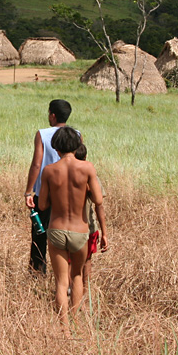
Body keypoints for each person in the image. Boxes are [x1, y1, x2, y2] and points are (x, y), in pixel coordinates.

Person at [37, 126, 107, 327]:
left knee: (60, 281)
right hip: (80, 231)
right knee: (77, 275)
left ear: (56, 147)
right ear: (76, 146)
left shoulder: (49, 171)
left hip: (56, 230)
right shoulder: (87, 168)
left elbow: (42, 205)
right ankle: (76, 321)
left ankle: (64, 329)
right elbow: (98, 199)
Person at [24, 99, 76, 274]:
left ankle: (38, 271)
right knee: (66, 233)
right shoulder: (76, 134)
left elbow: (36, 164)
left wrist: (28, 191)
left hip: (44, 193)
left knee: (39, 234)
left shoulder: (42, 134)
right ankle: (65, 272)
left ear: (52, 115)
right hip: (69, 194)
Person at [74, 143, 104, 285]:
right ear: (86, 157)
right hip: (89, 227)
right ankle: (85, 298)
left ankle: (70, 293)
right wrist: (104, 232)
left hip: (69, 228)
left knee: (69, 263)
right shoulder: (91, 176)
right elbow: (99, 205)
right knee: (87, 262)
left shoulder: (63, 173)